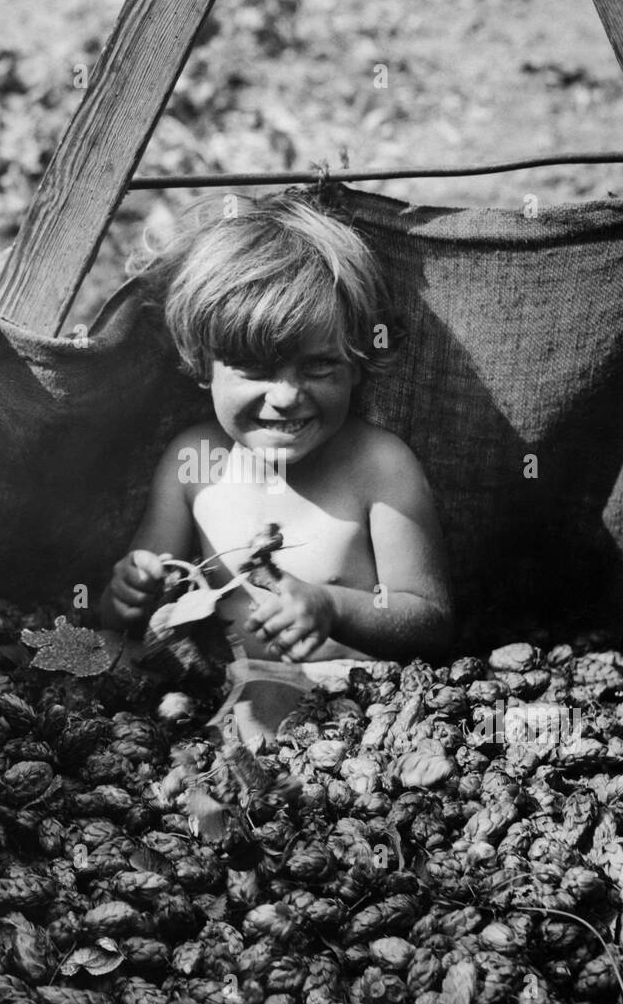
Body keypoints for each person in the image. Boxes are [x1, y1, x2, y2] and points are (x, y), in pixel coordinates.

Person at [99, 192, 453, 731]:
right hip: (215, 685)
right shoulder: (194, 462)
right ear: (202, 366)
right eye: (256, 368)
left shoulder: (380, 466)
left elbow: (429, 620)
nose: (286, 396)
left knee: (260, 708)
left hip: (352, 704)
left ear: (358, 366)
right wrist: (129, 595)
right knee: (96, 657)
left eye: (317, 367)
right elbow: (130, 606)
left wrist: (331, 606)